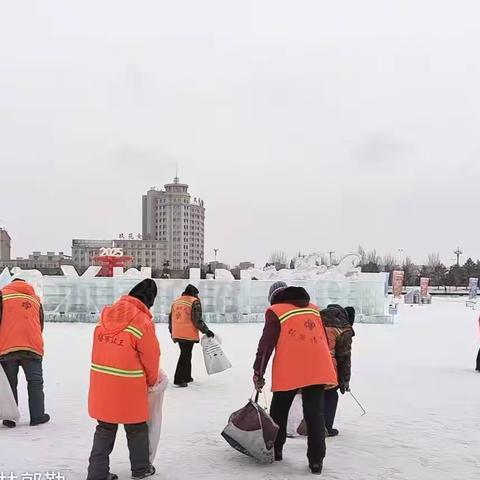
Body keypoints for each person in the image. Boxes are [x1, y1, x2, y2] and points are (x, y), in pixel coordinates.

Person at [253, 282, 337, 475]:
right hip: (318, 367)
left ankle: (276, 449)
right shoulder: (314, 309)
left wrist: (258, 372)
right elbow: (323, 338)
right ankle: (316, 461)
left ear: (274, 298)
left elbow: (265, 346)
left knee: (279, 411)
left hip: (290, 368)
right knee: (314, 413)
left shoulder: (275, 311)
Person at [87, 279, 160, 480]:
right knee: (136, 428)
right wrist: (152, 381)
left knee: (104, 428)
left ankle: (96, 473)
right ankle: (140, 469)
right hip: (129, 386)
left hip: (102, 383)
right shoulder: (142, 321)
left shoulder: (106, 315)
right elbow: (151, 357)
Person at [0, 278, 50, 428]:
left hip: (8, 346)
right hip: (32, 347)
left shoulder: (3, 295)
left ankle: (10, 418)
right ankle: (37, 416)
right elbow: (40, 324)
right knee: (35, 382)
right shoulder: (35, 299)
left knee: (10, 384)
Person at [169, 284, 214, 387]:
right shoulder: (194, 301)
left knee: (186, 353)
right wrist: (206, 331)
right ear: (194, 293)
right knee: (185, 355)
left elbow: (170, 318)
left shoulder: (177, 301)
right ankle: (179, 379)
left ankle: (187, 376)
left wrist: (172, 332)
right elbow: (197, 320)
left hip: (177, 332)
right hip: (187, 332)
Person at [321, 304, 355, 437]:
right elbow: (344, 357)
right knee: (330, 394)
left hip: (307, 363)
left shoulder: (317, 318)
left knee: (313, 394)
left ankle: (310, 425)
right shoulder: (343, 328)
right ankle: (326, 427)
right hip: (327, 365)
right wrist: (345, 380)